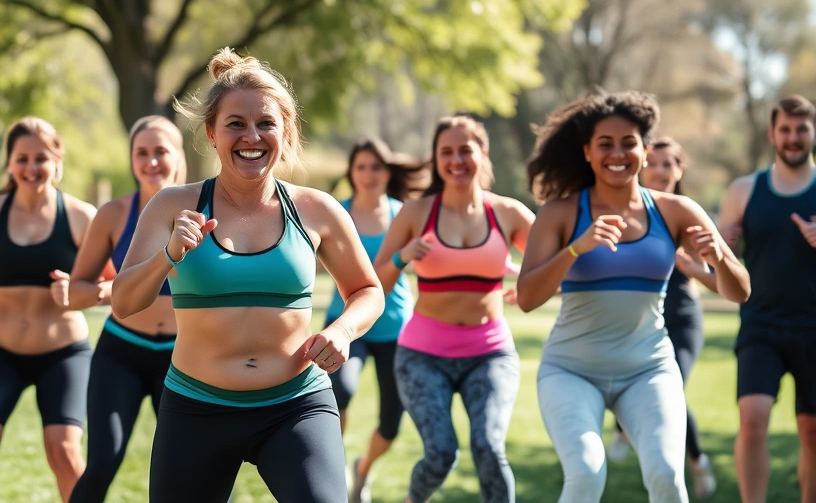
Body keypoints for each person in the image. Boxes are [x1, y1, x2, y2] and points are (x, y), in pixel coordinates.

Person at [111, 47, 384, 503]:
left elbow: (366, 290)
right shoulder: (171, 205)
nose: (251, 136)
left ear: (285, 132)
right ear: (212, 134)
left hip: (295, 405)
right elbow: (123, 302)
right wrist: (169, 254)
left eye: (265, 124)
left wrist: (342, 331)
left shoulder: (317, 209)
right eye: (235, 124)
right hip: (197, 407)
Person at [518, 91, 750, 503]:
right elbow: (528, 297)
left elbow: (740, 290)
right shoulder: (561, 213)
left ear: (645, 150)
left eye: (629, 143)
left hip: (648, 370)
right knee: (587, 473)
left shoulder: (676, 210)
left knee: (666, 475)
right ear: (587, 152)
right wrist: (575, 249)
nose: (618, 153)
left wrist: (719, 260)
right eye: (605, 144)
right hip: (572, 371)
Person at [372, 114, 534, 503]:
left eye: (466, 150)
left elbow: (553, 261)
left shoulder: (507, 213)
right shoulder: (415, 213)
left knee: (489, 449)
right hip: (422, 357)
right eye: (447, 152)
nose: (457, 160)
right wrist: (402, 258)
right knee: (441, 453)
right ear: (436, 159)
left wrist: (528, 283)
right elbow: (374, 281)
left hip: (489, 353)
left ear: (483, 153)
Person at [0, 117, 97, 503]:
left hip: (63, 354)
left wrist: (77, 292)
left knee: (64, 450)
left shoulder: (80, 216)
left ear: (57, 160)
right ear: (10, 163)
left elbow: (112, 286)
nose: (31, 168)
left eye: (40, 158)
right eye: (22, 158)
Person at [56, 116, 187, 503]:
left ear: (179, 154)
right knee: (101, 463)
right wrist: (110, 290)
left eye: (161, 151)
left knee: (194, 469)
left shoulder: (208, 209)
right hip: (122, 353)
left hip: (186, 358)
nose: (151, 162)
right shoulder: (114, 214)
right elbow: (75, 293)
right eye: (141, 153)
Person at [606, 136, 718, 499]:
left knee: (670, 390)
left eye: (668, 164)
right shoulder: (627, 213)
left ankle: (695, 461)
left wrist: (692, 267)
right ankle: (625, 425)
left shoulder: (688, 214)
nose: (659, 170)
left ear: (679, 170)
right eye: (652, 163)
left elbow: (723, 280)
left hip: (681, 316)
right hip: (636, 318)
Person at [719, 95, 816, 503]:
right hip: (760, 325)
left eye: (801, 129)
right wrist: (717, 251)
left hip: (814, 327)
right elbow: (722, 262)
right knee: (753, 418)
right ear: (772, 134)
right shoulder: (744, 190)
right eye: (785, 130)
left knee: (812, 432)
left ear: (812, 133)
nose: (793, 138)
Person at [324, 138, 424, 503]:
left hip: (396, 328)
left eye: (376, 167)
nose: (368, 175)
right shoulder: (337, 212)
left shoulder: (404, 214)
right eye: (361, 167)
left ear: (388, 172)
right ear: (352, 172)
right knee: (340, 392)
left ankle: (362, 469)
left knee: (392, 422)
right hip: (347, 323)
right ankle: (330, 467)